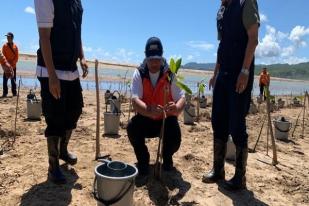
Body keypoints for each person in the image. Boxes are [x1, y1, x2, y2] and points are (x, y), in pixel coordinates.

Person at [203, 0, 260, 191]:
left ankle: (239, 177)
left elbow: (253, 39)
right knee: (218, 121)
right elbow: (222, 44)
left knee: (236, 124)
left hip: (239, 73)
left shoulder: (246, 3)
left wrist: (244, 71)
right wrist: (215, 73)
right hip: (223, 73)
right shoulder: (222, 10)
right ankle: (218, 169)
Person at [34, 0, 88, 184]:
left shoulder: (76, 2)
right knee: (55, 117)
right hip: (52, 69)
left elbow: (76, 31)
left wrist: (82, 56)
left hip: (71, 69)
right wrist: (52, 76)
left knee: (75, 110)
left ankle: (63, 150)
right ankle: (53, 166)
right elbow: (44, 37)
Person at [127, 37, 185, 176]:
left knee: (175, 138)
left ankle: (167, 158)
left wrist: (177, 108)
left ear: (162, 56)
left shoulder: (170, 74)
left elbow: (182, 98)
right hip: (146, 118)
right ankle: (143, 160)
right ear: (146, 57)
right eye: (151, 58)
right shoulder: (139, 73)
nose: (154, 62)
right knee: (132, 128)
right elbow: (135, 100)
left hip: (166, 121)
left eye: (157, 58)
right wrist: (148, 110)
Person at [2, 32, 18, 97]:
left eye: (9, 37)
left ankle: (14, 93)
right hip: (6, 66)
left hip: (13, 66)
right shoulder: (4, 46)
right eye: (7, 37)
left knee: (13, 80)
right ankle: (5, 93)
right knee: (5, 80)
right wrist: (6, 63)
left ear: (12, 38)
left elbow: (17, 56)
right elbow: (3, 55)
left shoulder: (15, 46)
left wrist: (13, 63)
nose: (7, 38)